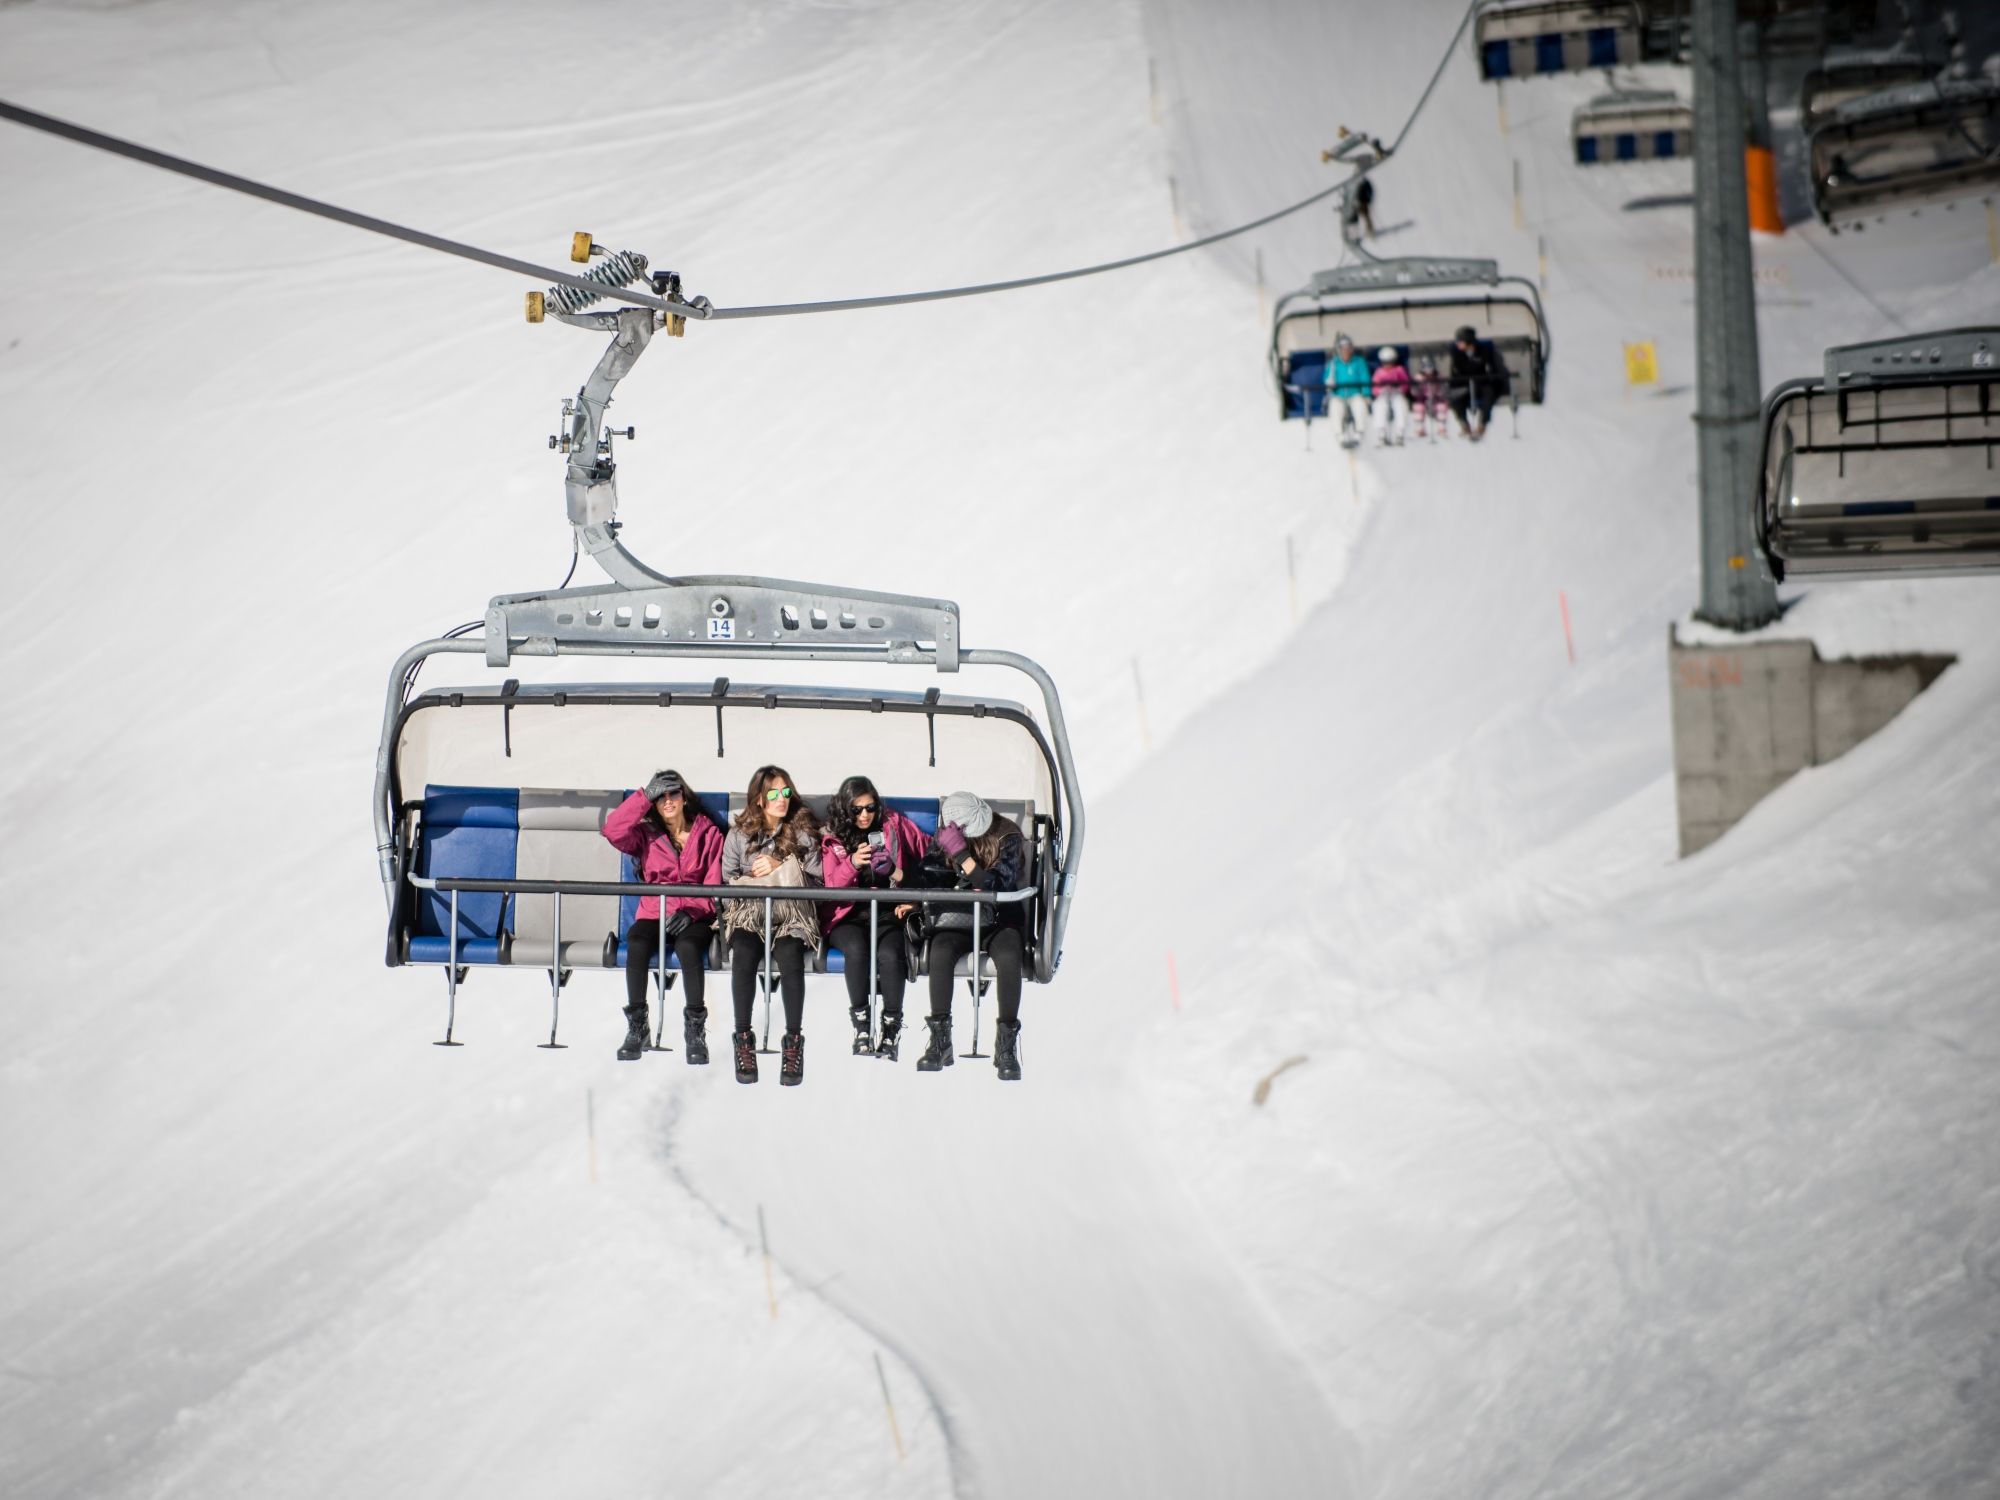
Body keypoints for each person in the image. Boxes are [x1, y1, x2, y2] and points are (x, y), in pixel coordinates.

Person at [603, 770, 723, 1064]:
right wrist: (643, 796)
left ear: (684, 797)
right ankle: (637, 1026)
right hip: (656, 911)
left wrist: (693, 910)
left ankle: (695, 1030)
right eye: (661, 797)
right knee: (638, 941)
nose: (668, 801)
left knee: (688, 947)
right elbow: (613, 830)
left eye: (673, 794)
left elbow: (715, 884)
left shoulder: (708, 833)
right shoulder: (645, 834)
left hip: (694, 916)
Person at [914, 791, 1029, 1082]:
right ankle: (941, 1038)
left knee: (1009, 954)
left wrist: (963, 857)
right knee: (940, 951)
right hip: (959, 918)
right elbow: (930, 879)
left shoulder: (1007, 837)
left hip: (999, 919)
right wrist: (942, 857)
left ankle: (1006, 1043)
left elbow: (999, 885)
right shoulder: (944, 839)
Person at [720, 765, 823, 1085]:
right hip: (751, 911)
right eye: (774, 794)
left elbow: (819, 881)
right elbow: (726, 877)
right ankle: (743, 1038)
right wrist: (751, 881)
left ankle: (793, 1042)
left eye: (786, 792)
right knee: (745, 952)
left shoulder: (803, 832)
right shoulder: (739, 834)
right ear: (760, 799)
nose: (782, 799)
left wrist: (783, 862)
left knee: (790, 954)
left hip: (792, 912)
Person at [820, 776, 929, 1061]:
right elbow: (832, 887)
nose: (865, 815)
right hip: (848, 915)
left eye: (870, 808)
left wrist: (895, 873)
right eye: (857, 810)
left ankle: (891, 1027)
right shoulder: (833, 837)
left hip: (887, 911)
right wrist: (853, 863)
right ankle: (861, 1025)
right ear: (846, 810)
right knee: (856, 950)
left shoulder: (893, 825)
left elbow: (928, 856)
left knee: (891, 953)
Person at [1447, 324, 1510, 441]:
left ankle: (1482, 424)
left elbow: (1491, 368)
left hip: (1481, 384)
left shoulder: (1484, 351)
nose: (1458, 344)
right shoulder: (1456, 353)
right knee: (1456, 399)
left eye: (1460, 341)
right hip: (1464, 384)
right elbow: (1456, 371)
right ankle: (1464, 424)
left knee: (1488, 394)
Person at [1322, 335, 1372, 443]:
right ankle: (1339, 435)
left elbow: (1365, 378)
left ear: (1352, 349)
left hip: (1355, 393)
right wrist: (1329, 381)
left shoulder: (1359, 361)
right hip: (1338, 395)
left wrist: (1366, 394)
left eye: (1348, 348)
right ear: (1339, 350)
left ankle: (1359, 432)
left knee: (1360, 405)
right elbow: (1326, 380)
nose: (1346, 351)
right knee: (1335, 407)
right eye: (1343, 349)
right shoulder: (1333, 363)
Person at [1371, 346, 1411, 447]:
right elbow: (1374, 387)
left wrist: (1399, 388)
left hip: (1396, 393)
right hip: (1383, 394)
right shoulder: (1379, 372)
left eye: (1390, 362)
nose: (1388, 365)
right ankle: (1382, 434)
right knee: (1379, 406)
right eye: (1385, 362)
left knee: (1401, 404)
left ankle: (1400, 434)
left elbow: (1406, 383)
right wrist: (1381, 390)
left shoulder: (1399, 370)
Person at [1410, 354, 1450, 441]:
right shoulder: (1418, 378)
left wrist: (1439, 394)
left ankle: (1441, 427)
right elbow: (1414, 392)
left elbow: (1444, 389)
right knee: (1418, 407)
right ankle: (1420, 428)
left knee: (1441, 406)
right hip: (1422, 397)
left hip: (1436, 396)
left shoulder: (1439, 376)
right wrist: (1418, 389)